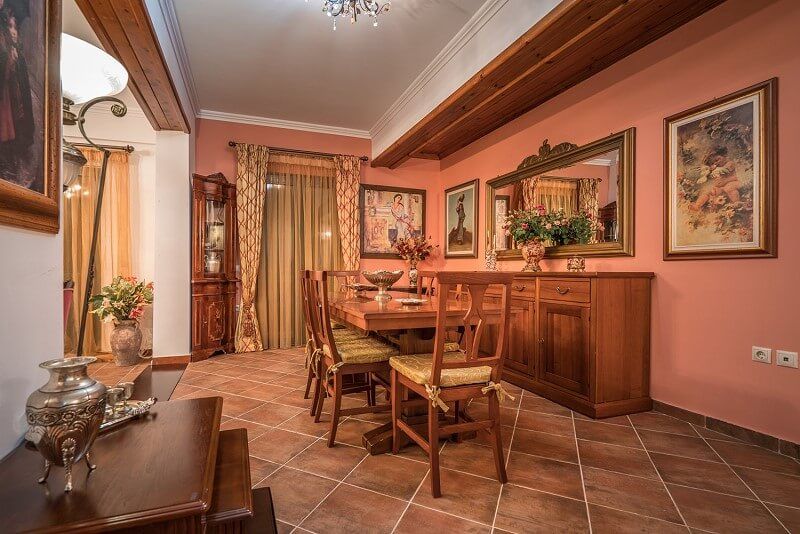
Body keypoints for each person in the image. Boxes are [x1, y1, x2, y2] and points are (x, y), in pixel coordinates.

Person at [690, 147, 741, 211]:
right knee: (707, 191)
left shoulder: (729, 163)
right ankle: (697, 205)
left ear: (724, 155)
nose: (716, 163)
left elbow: (725, 170)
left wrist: (712, 170)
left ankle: (737, 203)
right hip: (721, 187)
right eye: (713, 163)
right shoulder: (717, 168)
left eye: (717, 160)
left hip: (732, 182)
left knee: (728, 188)